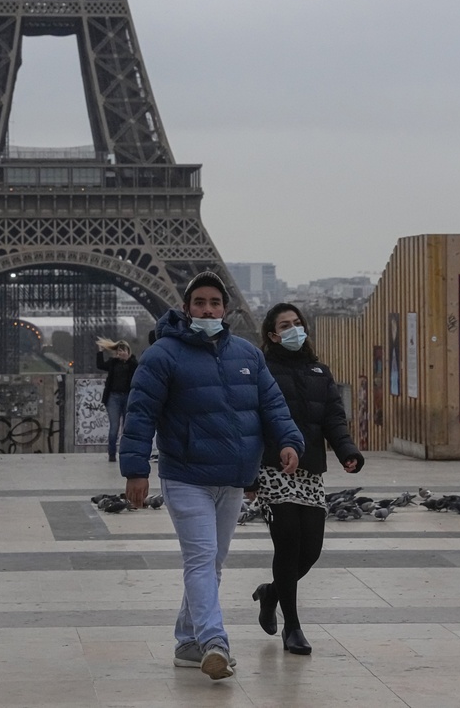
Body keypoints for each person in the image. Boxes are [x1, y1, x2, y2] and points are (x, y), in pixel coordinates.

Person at [119, 271, 304, 681]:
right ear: (186, 308)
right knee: (201, 559)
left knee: (213, 563)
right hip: (186, 475)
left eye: (214, 303)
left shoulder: (246, 355)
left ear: (225, 308)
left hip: (234, 476)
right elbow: (140, 414)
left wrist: (290, 440)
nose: (207, 309)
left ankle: (186, 641)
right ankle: (213, 641)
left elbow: (272, 404)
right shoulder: (163, 355)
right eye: (199, 302)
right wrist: (135, 470)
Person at [249, 302, 364, 656]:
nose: (294, 329)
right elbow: (252, 422)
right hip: (274, 468)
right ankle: (293, 626)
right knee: (288, 541)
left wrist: (347, 450)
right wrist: (249, 471)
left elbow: (333, 417)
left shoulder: (319, 371)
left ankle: (271, 592)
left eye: (297, 323)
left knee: (310, 550)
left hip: (310, 470)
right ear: (272, 334)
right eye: (285, 325)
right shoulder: (261, 370)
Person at [96, 338, 137, 463]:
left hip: (127, 397)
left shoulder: (133, 363)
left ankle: (126, 452)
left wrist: (128, 360)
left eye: (123, 351)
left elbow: (138, 370)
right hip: (113, 397)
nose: (120, 353)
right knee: (114, 427)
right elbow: (100, 365)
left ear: (128, 351)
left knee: (126, 428)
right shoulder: (113, 363)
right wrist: (100, 352)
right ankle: (112, 454)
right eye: (119, 351)